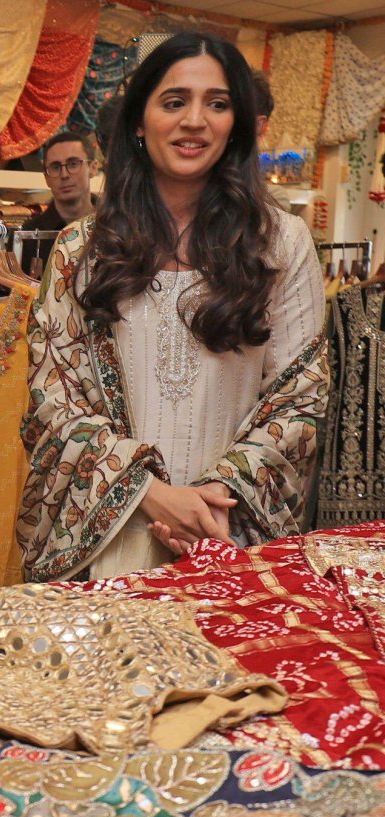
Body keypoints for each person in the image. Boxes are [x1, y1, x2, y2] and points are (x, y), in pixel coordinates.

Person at [18, 31, 329, 583]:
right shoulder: (79, 251)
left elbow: (299, 398)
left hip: (231, 536)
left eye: (217, 103)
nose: (195, 121)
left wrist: (218, 497)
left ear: (237, 125)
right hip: (106, 547)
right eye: (174, 101)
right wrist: (149, 493)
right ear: (139, 121)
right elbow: (53, 405)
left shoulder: (281, 244)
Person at [32, 127, 97, 234]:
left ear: (93, 168)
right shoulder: (28, 237)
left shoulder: (116, 228)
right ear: (46, 178)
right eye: (56, 167)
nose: (64, 175)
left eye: (73, 164)